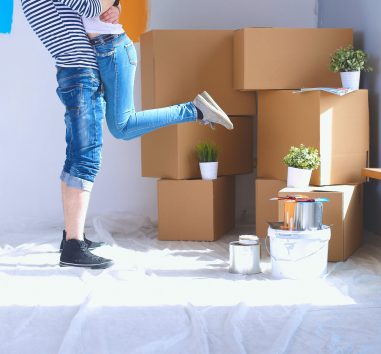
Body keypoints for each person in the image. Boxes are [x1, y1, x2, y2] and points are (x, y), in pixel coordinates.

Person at [21, 0, 233, 269]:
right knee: (86, 156)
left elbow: (90, 9)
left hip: (86, 68)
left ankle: (73, 240)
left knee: (83, 157)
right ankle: (72, 243)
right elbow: (90, 8)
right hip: (80, 73)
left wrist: (117, 6)